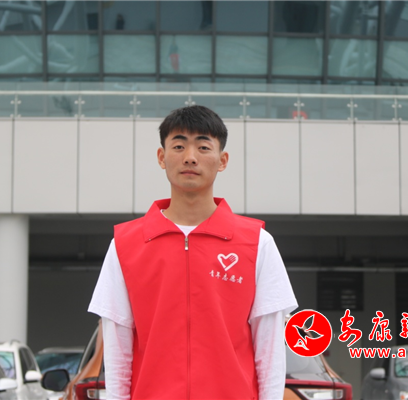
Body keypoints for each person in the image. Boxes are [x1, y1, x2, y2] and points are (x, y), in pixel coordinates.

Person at [88, 105, 298, 400]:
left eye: (203, 146)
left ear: (222, 160)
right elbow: (117, 347)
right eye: (178, 146)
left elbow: (270, 347)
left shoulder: (257, 243)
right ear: (161, 157)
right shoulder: (126, 244)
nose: (190, 157)